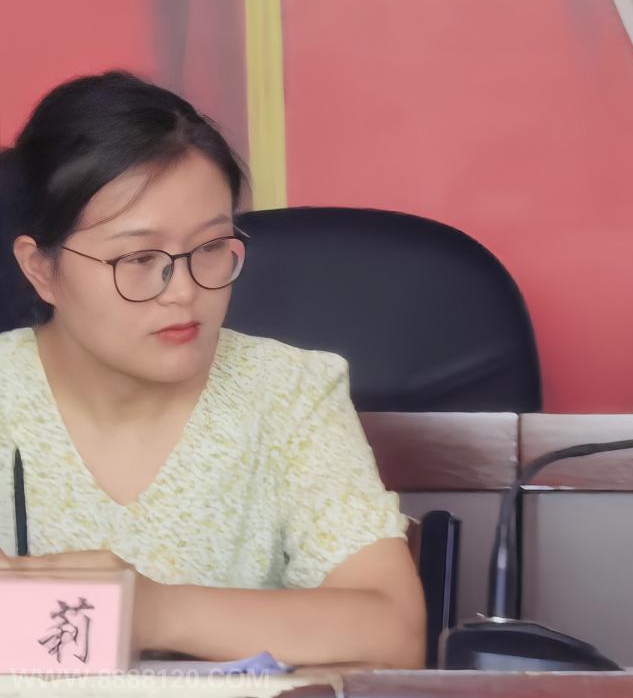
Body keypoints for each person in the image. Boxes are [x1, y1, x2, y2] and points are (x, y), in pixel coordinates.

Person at [0, 72, 423, 667]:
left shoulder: (288, 392)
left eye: (209, 248)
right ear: (41, 269)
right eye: (138, 258)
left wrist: (148, 610)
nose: (184, 292)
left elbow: (393, 631)